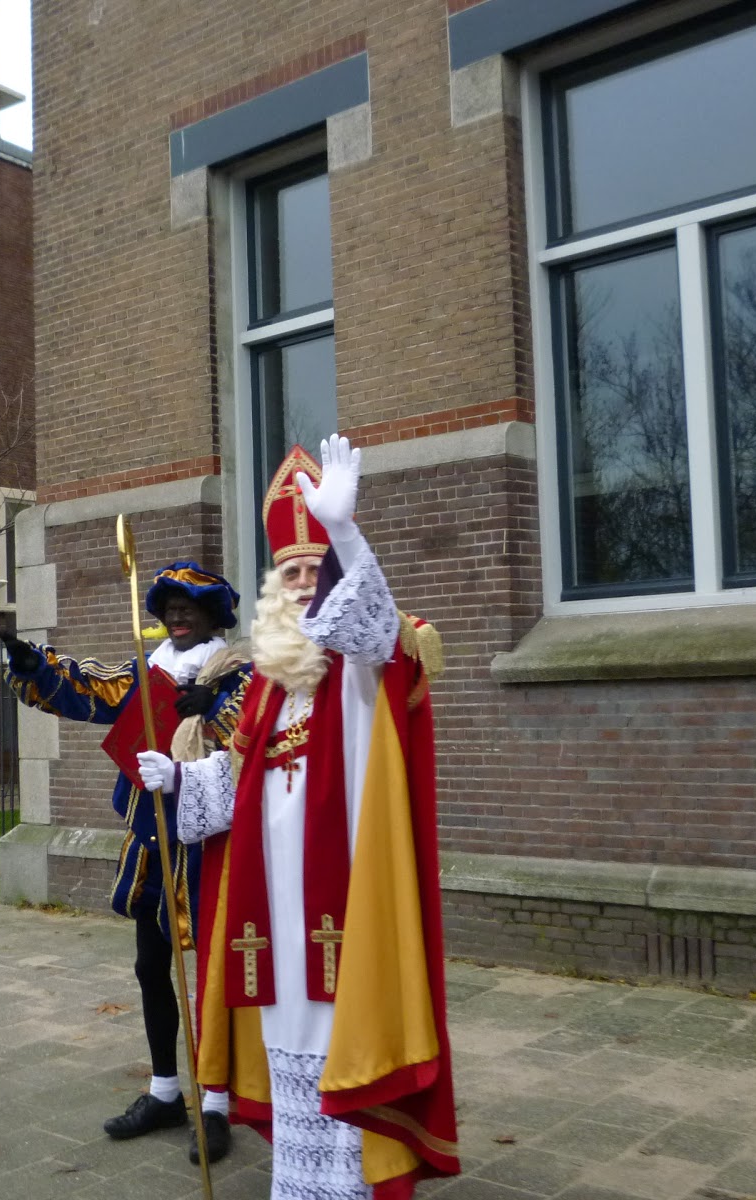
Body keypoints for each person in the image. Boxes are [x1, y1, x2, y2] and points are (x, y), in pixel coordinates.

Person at [137, 437, 459, 1200]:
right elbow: (241, 779)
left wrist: (343, 531)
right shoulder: (270, 685)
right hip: (275, 918)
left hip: (345, 902)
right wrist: (181, 779)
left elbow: (372, 627)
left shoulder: (362, 669)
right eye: (292, 573)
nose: (305, 584)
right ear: (273, 591)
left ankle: (354, 1183)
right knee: (287, 1049)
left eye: (318, 570)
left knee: (344, 1043)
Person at [0, 562, 251, 1164]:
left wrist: (213, 711)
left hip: (214, 850)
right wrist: (35, 665)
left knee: (213, 979)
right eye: (169, 607)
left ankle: (216, 1104)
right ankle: (165, 1091)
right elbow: (90, 689)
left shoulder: (243, 676)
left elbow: (254, 742)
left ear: (213, 615)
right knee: (150, 967)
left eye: (190, 606)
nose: (177, 615)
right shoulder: (147, 672)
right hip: (150, 842)